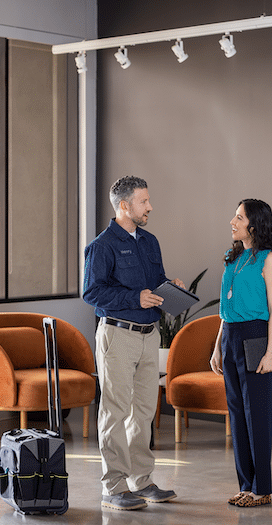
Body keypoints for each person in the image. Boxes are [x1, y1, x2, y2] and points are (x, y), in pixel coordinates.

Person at [83, 175, 184, 511]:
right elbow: (92, 292)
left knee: (142, 412)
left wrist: (170, 287)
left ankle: (141, 481)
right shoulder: (102, 246)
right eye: (144, 201)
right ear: (124, 205)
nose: (150, 207)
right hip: (117, 336)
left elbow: (152, 284)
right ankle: (113, 487)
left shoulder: (149, 241)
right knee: (115, 410)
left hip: (148, 335)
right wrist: (133, 298)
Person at [210, 198, 272, 508]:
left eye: (239, 217)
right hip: (230, 337)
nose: (233, 221)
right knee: (237, 415)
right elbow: (224, 309)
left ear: (254, 225)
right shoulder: (233, 258)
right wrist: (217, 347)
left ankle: (262, 488)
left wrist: (270, 353)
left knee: (257, 416)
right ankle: (245, 485)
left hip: (256, 337)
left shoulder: (268, 260)